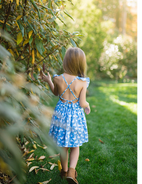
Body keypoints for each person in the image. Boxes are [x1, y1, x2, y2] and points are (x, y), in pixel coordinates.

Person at [39, 47, 90, 184]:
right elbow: (82, 102)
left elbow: (56, 93)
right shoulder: (82, 82)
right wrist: (87, 105)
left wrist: (49, 80)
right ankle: (72, 172)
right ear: (80, 63)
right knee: (75, 146)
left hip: (61, 114)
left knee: (63, 146)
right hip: (75, 115)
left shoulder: (58, 78)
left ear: (66, 61)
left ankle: (64, 171)